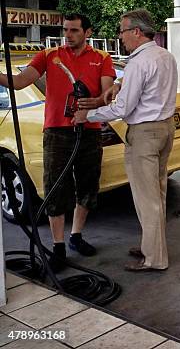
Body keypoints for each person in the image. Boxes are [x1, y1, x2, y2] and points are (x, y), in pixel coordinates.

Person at [0, 14, 115, 271]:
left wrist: (95, 102)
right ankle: (58, 245)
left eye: (74, 30)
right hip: (56, 132)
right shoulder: (49, 56)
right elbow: (19, 82)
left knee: (88, 185)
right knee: (55, 186)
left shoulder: (102, 58)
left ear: (87, 32)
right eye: (65, 30)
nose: (68, 34)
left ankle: (76, 236)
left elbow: (107, 91)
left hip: (88, 131)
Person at [74, 9, 178, 272]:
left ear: (136, 32)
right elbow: (146, 87)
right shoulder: (165, 56)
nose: (120, 38)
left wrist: (88, 115)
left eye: (121, 31)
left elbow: (123, 109)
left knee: (147, 199)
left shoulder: (138, 62)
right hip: (164, 129)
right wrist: (120, 85)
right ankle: (151, 246)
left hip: (144, 133)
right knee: (158, 193)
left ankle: (155, 259)